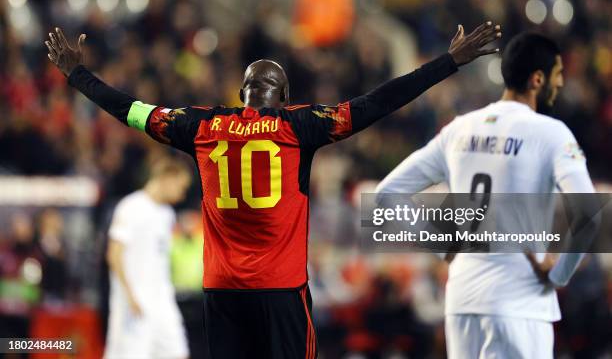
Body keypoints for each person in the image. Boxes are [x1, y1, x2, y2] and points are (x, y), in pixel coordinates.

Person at [45, 22, 501, 358]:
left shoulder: (201, 126)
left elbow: (131, 110)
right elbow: (379, 101)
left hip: (221, 291)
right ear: (282, 96)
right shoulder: (300, 126)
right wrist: (449, 63)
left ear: (241, 92)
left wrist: (76, 76)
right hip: (280, 291)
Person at [376, 32, 597, 358]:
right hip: (520, 304)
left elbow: (386, 196)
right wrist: (558, 275)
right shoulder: (550, 133)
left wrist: (443, 245)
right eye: (558, 74)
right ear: (537, 79)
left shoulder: (459, 129)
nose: (561, 83)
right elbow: (589, 215)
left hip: (463, 302)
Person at [104, 158, 192, 359]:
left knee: (177, 353)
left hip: (162, 301)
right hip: (134, 303)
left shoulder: (167, 214)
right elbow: (114, 254)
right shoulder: (131, 207)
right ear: (167, 178)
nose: (182, 195)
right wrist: (130, 296)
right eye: (181, 186)